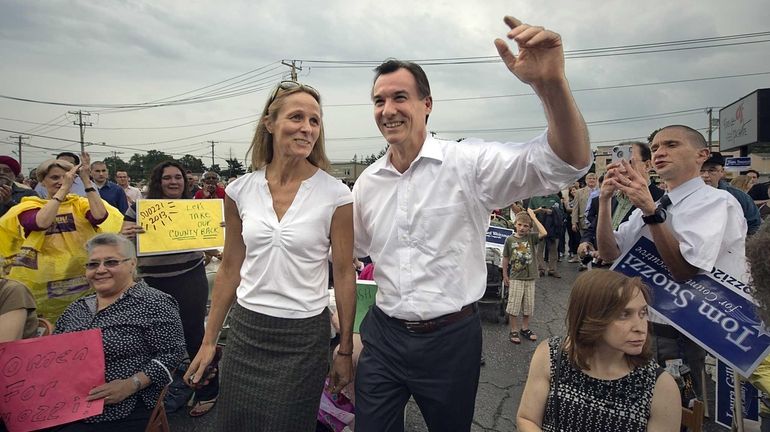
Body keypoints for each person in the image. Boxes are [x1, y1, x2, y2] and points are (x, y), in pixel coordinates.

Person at [352, 15, 591, 431]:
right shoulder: (368, 183)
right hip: (384, 336)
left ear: (427, 104)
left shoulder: (468, 164)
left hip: (450, 338)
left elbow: (565, 161)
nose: (388, 110)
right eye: (378, 101)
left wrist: (550, 84)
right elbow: (346, 254)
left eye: (400, 97)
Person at [184, 80, 356, 431]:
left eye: (314, 120)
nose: (307, 128)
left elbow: (343, 274)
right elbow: (231, 268)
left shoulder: (336, 195)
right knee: (235, 423)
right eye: (296, 117)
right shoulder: (240, 190)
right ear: (269, 123)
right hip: (247, 331)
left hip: (303, 337)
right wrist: (208, 341)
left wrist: (345, 352)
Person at [596, 124, 748, 405]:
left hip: (679, 331)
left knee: (678, 406)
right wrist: (604, 201)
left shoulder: (716, 202)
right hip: (638, 325)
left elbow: (684, 270)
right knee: (636, 405)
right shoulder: (657, 202)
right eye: (654, 148)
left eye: (672, 145)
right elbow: (609, 252)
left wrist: (651, 212)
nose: (659, 153)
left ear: (701, 155)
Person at [51, 233, 186, 431]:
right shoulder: (77, 307)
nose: (100, 270)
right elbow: (53, 352)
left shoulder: (154, 303)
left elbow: (172, 354)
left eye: (111, 262)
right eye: (92, 265)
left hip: (122, 406)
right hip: (64, 404)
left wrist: (131, 384)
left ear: (132, 264)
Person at [517, 269, 681, 431]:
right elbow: (527, 419)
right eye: (624, 314)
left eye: (643, 312)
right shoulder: (552, 354)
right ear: (592, 317)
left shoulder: (660, 386)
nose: (640, 327)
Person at [120, 160, 218, 417]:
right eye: (167, 178)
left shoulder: (195, 208)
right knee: (155, 339)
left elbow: (208, 240)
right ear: (158, 181)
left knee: (194, 335)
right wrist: (126, 235)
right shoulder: (140, 209)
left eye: (178, 177)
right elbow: (121, 243)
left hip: (190, 278)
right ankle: (163, 391)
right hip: (152, 283)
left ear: (185, 182)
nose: (173, 182)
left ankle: (208, 390)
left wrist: (215, 234)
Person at [0, 154, 123, 324]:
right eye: (54, 178)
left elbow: (99, 215)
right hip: (43, 287)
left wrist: (86, 180)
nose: (60, 181)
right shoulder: (29, 205)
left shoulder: (79, 204)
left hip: (82, 281)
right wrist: (62, 190)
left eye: (65, 177)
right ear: (43, 181)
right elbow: (41, 221)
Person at [578, 141, 664, 261]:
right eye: (617, 163)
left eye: (629, 163)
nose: (623, 169)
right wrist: (586, 241)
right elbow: (594, 227)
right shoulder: (608, 198)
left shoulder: (661, 200)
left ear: (648, 165)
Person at [502, 209, 546, 344]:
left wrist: (533, 217)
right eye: (520, 224)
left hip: (530, 277)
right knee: (513, 305)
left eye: (526, 226)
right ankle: (513, 329)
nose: (522, 228)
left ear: (530, 227)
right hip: (516, 277)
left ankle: (525, 328)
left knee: (528, 305)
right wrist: (505, 274)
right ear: (515, 224)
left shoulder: (531, 238)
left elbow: (544, 233)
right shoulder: (510, 240)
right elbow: (505, 258)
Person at [700, 151, 761, 235]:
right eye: (701, 170)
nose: (705, 175)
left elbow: (754, 225)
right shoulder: (687, 196)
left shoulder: (738, 196)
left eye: (712, 170)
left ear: (722, 172)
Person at [527, 193, 562, 277]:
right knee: (539, 248)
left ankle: (552, 269)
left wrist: (553, 211)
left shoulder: (555, 197)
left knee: (553, 247)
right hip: (538, 224)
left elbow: (561, 210)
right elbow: (529, 211)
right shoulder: (534, 197)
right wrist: (538, 210)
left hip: (552, 224)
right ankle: (540, 269)